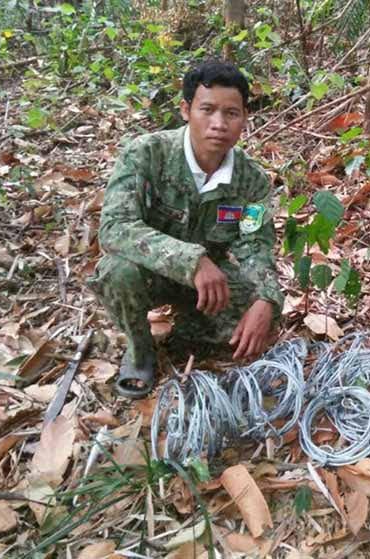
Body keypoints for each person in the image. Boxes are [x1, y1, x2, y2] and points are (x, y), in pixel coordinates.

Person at [89, 60, 283, 399]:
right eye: (207, 110)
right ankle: (140, 352)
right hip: (151, 273)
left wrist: (266, 299)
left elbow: (257, 244)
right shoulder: (145, 154)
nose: (219, 124)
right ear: (185, 110)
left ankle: (189, 331)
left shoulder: (252, 181)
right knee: (117, 271)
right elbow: (115, 228)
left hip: (212, 288)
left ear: (244, 118)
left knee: (259, 322)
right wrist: (191, 261)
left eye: (231, 114)